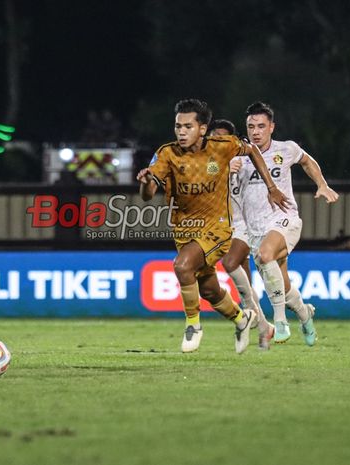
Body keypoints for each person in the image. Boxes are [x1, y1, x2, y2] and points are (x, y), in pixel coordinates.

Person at [137, 99, 288, 354]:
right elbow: (148, 194)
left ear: (203, 128)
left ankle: (193, 326)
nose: (181, 132)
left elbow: (252, 151)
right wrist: (144, 182)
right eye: (178, 127)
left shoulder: (224, 146)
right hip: (185, 230)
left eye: (187, 126)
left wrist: (271, 187)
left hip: (217, 229)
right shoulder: (166, 153)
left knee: (182, 265)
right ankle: (243, 319)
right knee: (209, 290)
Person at [233, 101, 339, 345]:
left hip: (285, 218)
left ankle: (279, 321)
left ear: (272, 127)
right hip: (255, 228)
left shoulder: (286, 148)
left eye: (261, 126)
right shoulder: (239, 156)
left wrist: (322, 184)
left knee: (266, 253)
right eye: (251, 127)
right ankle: (305, 314)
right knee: (282, 285)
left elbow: (307, 161)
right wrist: (228, 168)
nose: (255, 132)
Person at [208, 120, 277, 350]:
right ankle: (265, 328)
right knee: (244, 285)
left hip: (243, 224)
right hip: (221, 226)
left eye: (223, 137)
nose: (218, 141)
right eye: (214, 136)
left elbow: (258, 165)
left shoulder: (243, 159)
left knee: (229, 263)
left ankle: (250, 316)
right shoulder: (206, 162)